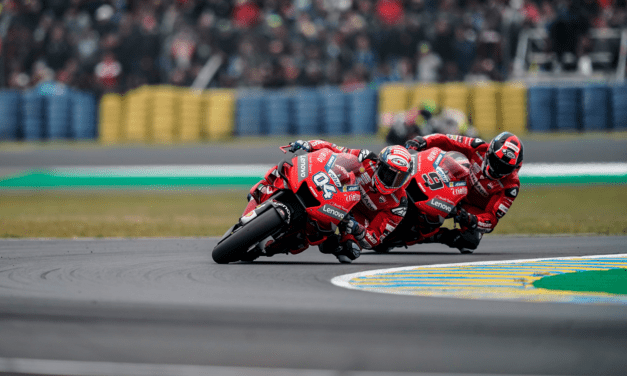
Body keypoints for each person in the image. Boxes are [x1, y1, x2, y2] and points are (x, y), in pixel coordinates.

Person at [288, 140, 413, 263]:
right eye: (388, 173)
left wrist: (358, 230)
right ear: (379, 164)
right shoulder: (366, 158)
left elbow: (375, 237)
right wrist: (310, 145)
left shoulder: (398, 204)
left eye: (399, 177)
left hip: (355, 220)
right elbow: (334, 150)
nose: (391, 181)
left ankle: (317, 236)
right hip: (337, 195)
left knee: (349, 252)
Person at [405, 132, 523, 253]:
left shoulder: (511, 187)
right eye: (495, 161)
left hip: (470, 209)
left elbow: (492, 219)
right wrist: (422, 141)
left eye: (504, 168)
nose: (497, 169)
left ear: (515, 168)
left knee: (469, 242)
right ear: (489, 151)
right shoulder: (478, 146)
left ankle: (435, 236)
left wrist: (470, 219)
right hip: (451, 184)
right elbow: (446, 140)